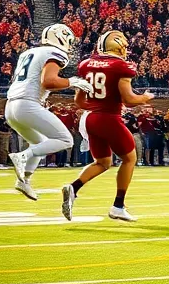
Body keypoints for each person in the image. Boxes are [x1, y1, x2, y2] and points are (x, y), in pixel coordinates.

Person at [63, 30, 155, 222]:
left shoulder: (86, 64)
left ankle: (73, 187)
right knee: (130, 159)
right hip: (108, 118)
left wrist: (98, 107)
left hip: (89, 118)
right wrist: (145, 98)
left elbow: (79, 101)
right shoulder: (121, 66)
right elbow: (129, 100)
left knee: (103, 162)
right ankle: (118, 206)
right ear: (119, 46)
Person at [5, 25, 94, 201]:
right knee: (65, 140)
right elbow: (49, 81)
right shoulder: (54, 53)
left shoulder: (29, 53)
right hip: (27, 104)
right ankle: (23, 157)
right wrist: (73, 81)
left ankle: (24, 180)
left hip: (11, 107)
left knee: (40, 142)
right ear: (61, 38)